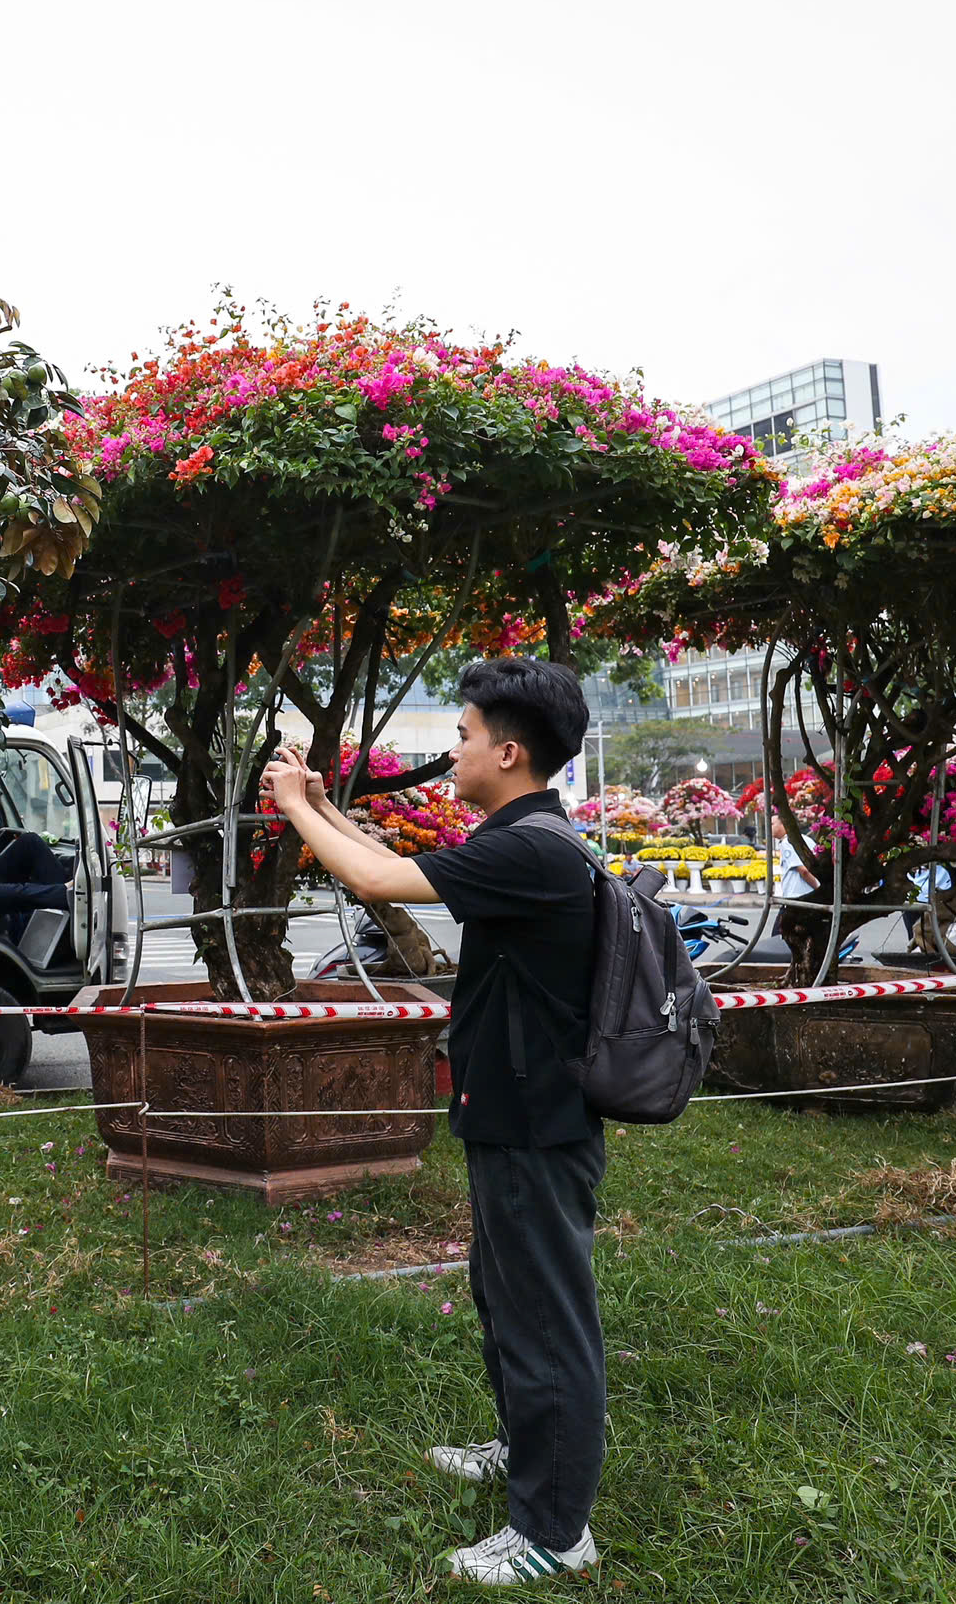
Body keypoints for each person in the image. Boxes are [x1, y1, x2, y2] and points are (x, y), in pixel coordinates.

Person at [261, 657, 604, 1586]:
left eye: (459, 735)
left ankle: (555, 1532)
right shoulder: (522, 837)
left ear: (509, 749)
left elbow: (375, 884)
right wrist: (325, 806)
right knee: (506, 1300)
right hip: (513, 1110)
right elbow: (391, 866)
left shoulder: (531, 848)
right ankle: (520, 1450)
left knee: (545, 1319)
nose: (449, 751)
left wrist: (295, 804)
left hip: (538, 1122)